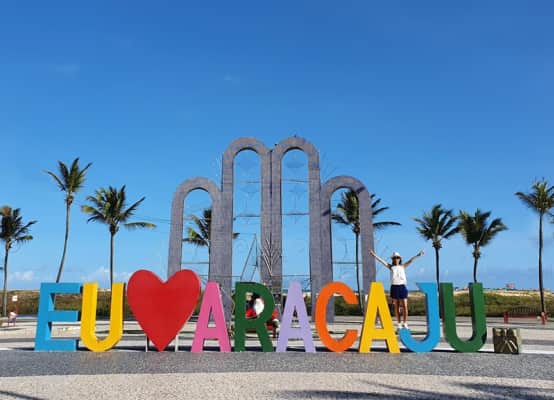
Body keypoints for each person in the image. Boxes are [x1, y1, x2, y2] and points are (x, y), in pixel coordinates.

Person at [369, 249, 424, 329]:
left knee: (405, 306)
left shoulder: (403, 266)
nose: (396, 259)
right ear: (392, 259)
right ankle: (399, 323)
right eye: (394, 258)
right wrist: (373, 254)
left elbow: (411, 261)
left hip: (402, 286)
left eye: (397, 257)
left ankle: (405, 322)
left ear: (400, 259)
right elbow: (382, 261)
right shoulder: (391, 267)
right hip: (394, 287)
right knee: (396, 307)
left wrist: (418, 255)